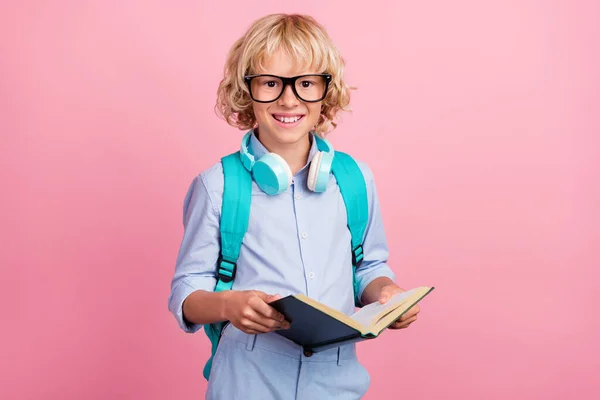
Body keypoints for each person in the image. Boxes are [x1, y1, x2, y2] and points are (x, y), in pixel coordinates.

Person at [168, 13, 421, 399]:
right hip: (247, 383)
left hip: (336, 385)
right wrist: (228, 305)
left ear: (326, 91)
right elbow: (187, 290)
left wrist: (387, 295)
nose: (289, 99)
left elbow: (368, 267)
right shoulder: (218, 186)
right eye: (270, 83)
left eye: (305, 83)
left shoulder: (354, 180)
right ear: (246, 90)